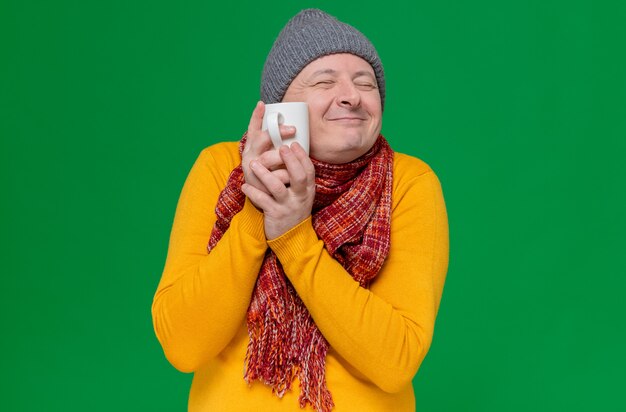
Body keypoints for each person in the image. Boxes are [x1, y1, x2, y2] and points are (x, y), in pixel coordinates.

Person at [152, 8, 449, 412]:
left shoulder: (410, 182)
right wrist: (257, 213)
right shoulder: (220, 169)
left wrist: (294, 236)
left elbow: (396, 360)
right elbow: (183, 345)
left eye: (366, 83)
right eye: (325, 81)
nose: (352, 95)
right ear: (280, 110)